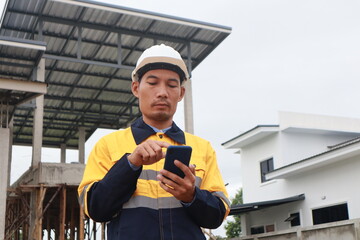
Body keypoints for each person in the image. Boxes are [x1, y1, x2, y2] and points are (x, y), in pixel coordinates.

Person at [78, 44, 230, 240]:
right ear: (136, 88)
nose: (162, 92)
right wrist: (130, 164)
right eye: (152, 82)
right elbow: (96, 208)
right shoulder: (108, 145)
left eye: (172, 85)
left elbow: (217, 216)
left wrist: (191, 195)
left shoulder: (203, 149)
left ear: (181, 93)